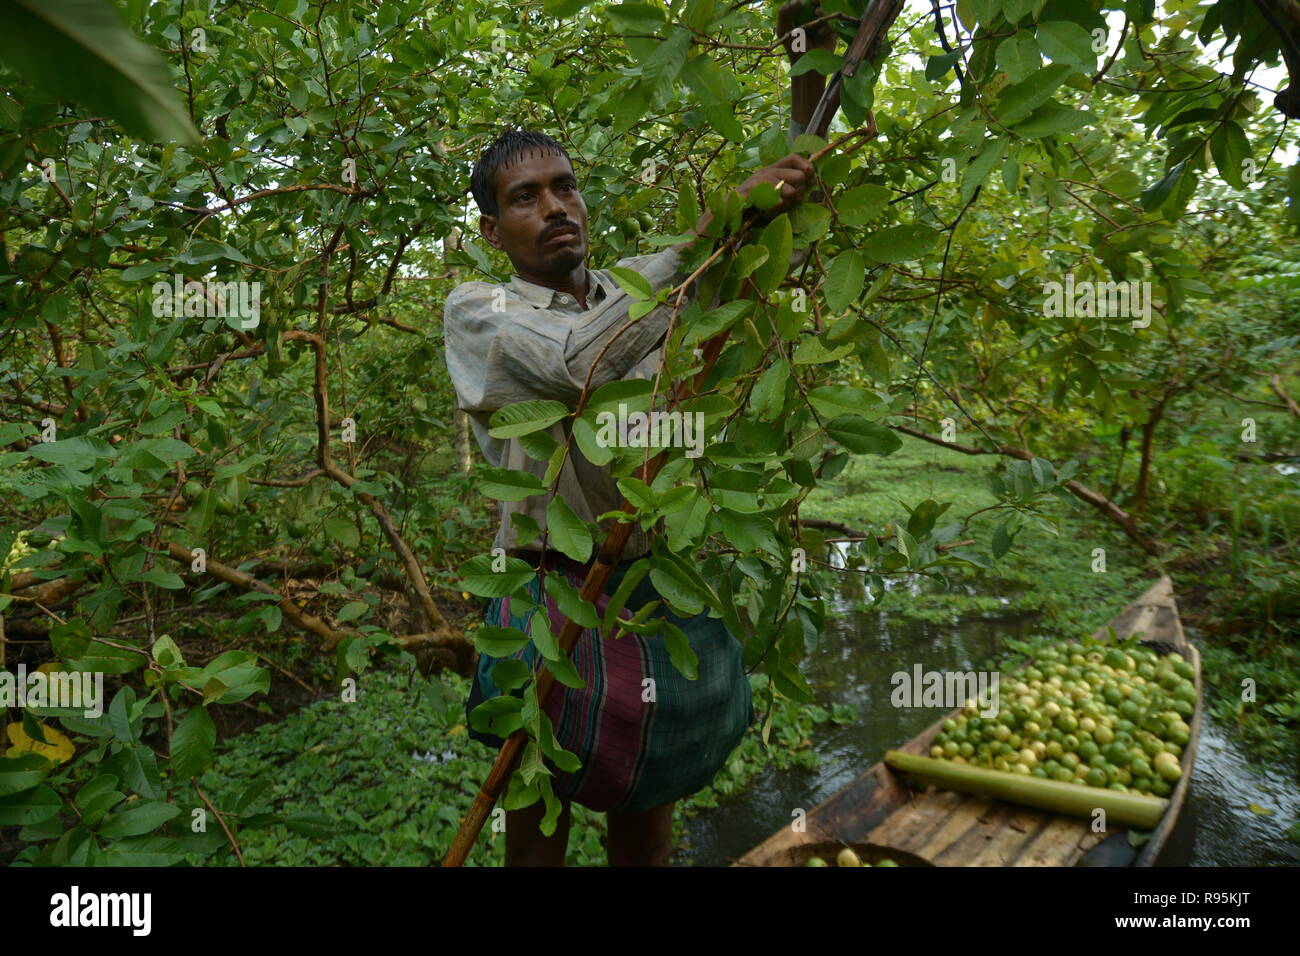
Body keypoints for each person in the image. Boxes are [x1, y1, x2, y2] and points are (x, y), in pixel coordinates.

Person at [441, 6, 832, 867]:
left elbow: (759, 283)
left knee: (648, 785)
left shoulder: (645, 290)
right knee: (538, 793)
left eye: (564, 187)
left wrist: (810, 70)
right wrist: (710, 230)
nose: (553, 208)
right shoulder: (481, 310)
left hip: (657, 582)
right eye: (524, 198)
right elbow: (581, 361)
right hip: (556, 588)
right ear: (490, 230)